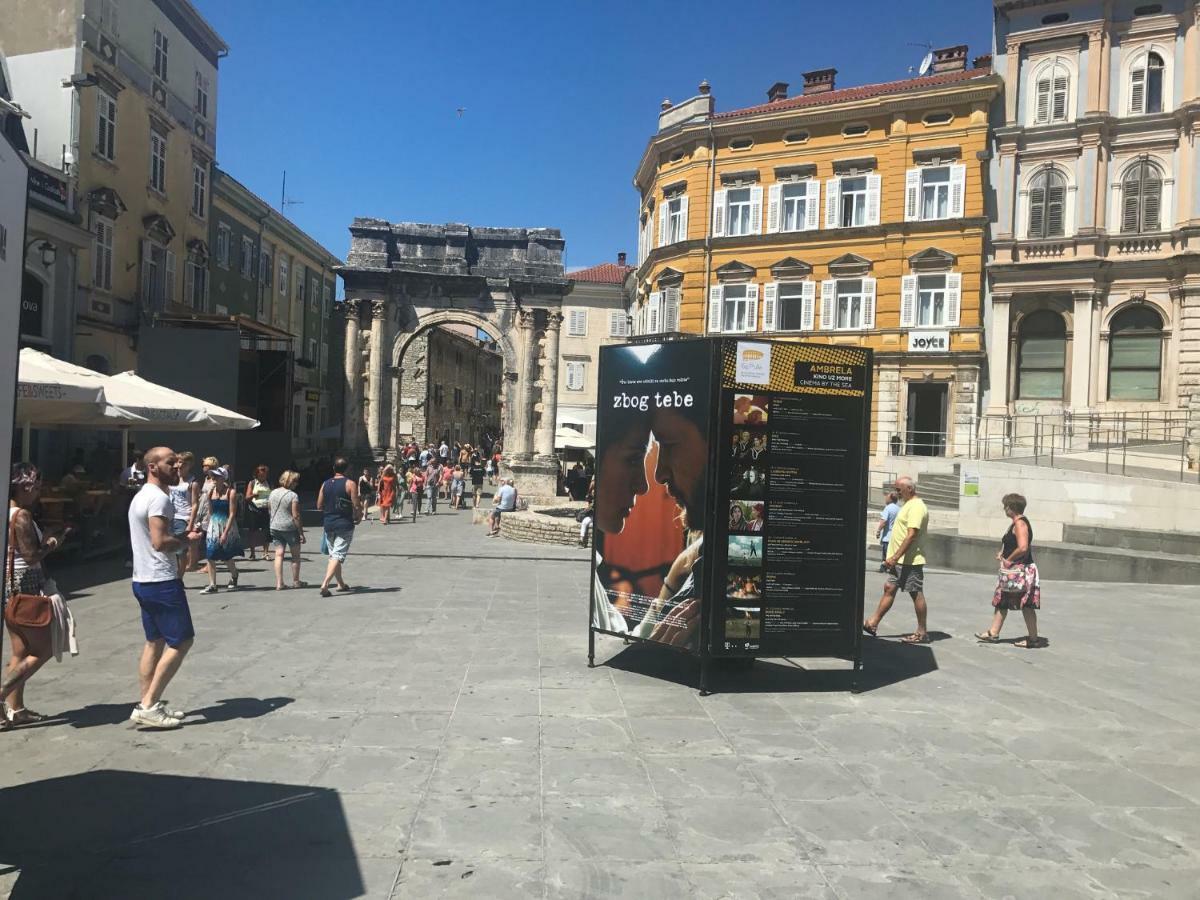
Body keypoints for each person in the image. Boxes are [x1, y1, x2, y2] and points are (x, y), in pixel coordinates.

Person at [128, 447, 199, 729]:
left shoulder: (141, 496)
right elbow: (160, 542)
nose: (177, 465)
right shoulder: (159, 499)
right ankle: (149, 705)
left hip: (143, 579)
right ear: (153, 467)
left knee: (154, 642)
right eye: (171, 462)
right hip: (161, 580)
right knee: (182, 641)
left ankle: (146, 702)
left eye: (178, 461)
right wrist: (186, 539)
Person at [3, 464, 75, 728]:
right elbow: (31, 555)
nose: (39, 491)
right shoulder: (20, 515)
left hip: (11, 587)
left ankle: (16, 709)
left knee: (20, 652)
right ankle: (1, 697)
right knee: (44, 649)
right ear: (26, 486)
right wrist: (53, 543)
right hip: (26, 586)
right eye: (38, 485)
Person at [863, 476, 930, 644]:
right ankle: (872, 623)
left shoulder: (916, 507)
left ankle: (922, 633)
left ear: (910, 489)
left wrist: (895, 557)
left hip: (909, 560)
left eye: (899, 489)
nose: (896, 492)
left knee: (915, 593)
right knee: (889, 588)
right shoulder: (908, 505)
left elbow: (911, 535)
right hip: (900, 561)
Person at [977, 493, 1043, 648]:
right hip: (1013, 571)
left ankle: (1033, 639)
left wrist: (1008, 559)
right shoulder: (1015, 523)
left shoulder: (1020, 524)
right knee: (1002, 600)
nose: (1004, 508)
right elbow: (1013, 544)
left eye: (1005, 506)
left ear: (1012, 508)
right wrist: (1003, 553)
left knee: (1026, 604)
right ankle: (993, 632)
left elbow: (1023, 547)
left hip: (1021, 571)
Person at [317, 457, 361, 597]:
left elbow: (319, 505)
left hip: (329, 523)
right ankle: (325, 584)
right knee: (337, 555)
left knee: (333, 555)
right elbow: (356, 504)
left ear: (333, 469)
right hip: (344, 524)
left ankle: (340, 583)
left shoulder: (325, 484)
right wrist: (358, 516)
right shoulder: (350, 484)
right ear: (347, 469)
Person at [199, 467, 244, 595]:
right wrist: (207, 526)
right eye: (212, 476)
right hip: (214, 524)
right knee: (210, 554)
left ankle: (234, 574)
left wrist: (225, 532)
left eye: (216, 476)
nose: (213, 479)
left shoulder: (231, 492)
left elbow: (232, 514)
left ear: (223, 478)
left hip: (226, 524)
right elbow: (210, 511)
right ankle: (213, 584)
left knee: (226, 555)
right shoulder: (210, 492)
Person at [268, 470, 306, 591]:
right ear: (291, 482)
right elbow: (296, 515)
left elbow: (269, 509)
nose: (297, 483)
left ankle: (279, 583)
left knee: (279, 554)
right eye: (295, 481)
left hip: (274, 526)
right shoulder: (293, 495)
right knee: (295, 556)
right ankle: (296, 581)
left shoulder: (273, 492)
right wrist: (301, 532)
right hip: (289, 528)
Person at [169, 452, 201, 577]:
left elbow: (194, 504)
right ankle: (173, 575)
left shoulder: (192, 483)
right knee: (171, 548)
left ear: (189, 465)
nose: (180, 465)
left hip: (183, 517)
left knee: (180, 551)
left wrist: (191, 524)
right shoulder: (173, 479)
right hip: (171, 516)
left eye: (183, 463)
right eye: (179, 462)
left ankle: (179, 578)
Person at [244, 465, 272, 561]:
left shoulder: (270, 484)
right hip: (254, 510)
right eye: (260, 475)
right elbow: (247, 498)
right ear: (256, 475)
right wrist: (254, 495)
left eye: (264, 475)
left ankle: (266, 552)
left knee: (266, 531)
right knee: (253, 532)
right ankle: (252, 553)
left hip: (265, 510)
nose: (262, 477)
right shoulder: (252, 483)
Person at [876, 490, 900, 573]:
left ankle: (884, 567)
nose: (885, 498)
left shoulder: (888, 508)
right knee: (891, 553)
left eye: (887, 497)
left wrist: (878, 531)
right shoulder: (898, 509)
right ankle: (889, 567)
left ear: (891, 499)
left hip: (887, 537)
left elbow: (883, 521)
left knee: (885, 554)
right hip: (895, 537)